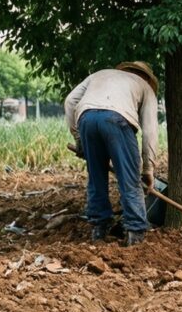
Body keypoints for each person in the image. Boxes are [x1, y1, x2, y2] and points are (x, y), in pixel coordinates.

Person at [64, 62, 159, 246]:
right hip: (118, 120)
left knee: (96, 177)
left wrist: (79, 139)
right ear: (147, 77)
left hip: (86, 118)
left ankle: (99, 228)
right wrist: (148, 168)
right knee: (130, 180)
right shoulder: (146, 87)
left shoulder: (100, 74)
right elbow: (150, 131)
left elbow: (70, 102)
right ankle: (135, 232)